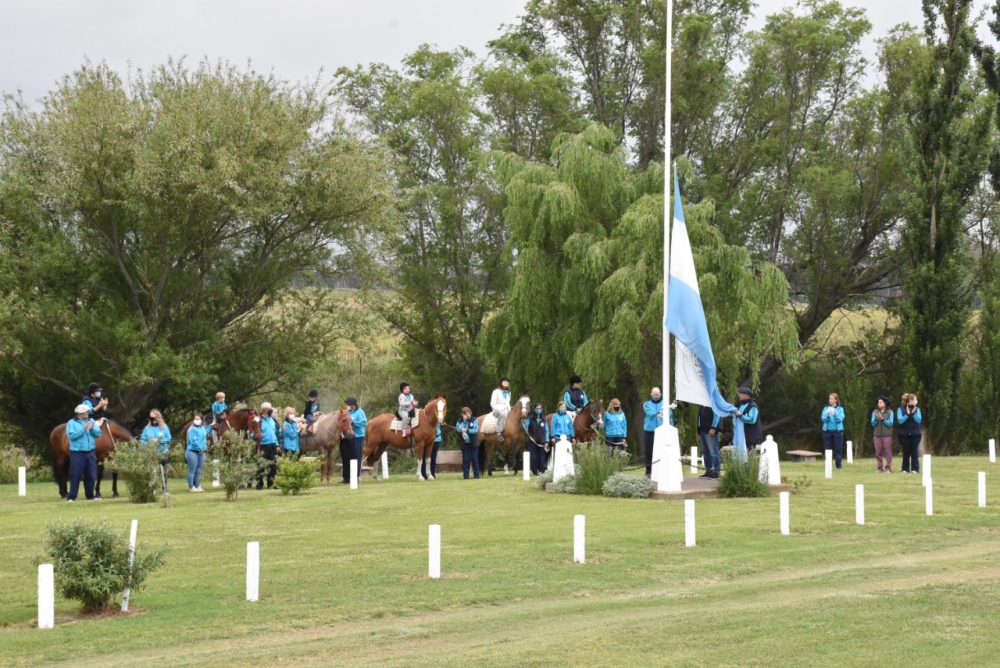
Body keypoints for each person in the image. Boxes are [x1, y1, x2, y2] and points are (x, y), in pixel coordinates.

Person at [66, 404, 103, 502]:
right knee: (76, 474)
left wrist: (92, 429)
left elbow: (99, 433)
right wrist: (83, 430)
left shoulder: (91, 421)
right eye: (86, 411)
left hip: (90, 452)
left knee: (91, 474)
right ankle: (72, 497)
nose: (88, 413)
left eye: (87, 411)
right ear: (79, 413)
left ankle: (90, 496)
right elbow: (72, 436)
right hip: (77, 452)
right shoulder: (71, 423)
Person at [139, 409, 172, 494]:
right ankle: (152, 489)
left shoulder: (164, 427)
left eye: (153, 417)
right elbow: (142, 440)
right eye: (151, 417)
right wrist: (148, 443)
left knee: (163, 472)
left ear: (158, 417)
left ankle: (164, 489)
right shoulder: (147, 428)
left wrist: (159, 440)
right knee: (152, 471)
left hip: (162, 452)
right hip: (151, 453)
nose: (152, 419)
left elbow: (168, 438)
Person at [256, 402, 280, 489]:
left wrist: (277, 445)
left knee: (273, 465)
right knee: (261, 466)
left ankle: (272, 483)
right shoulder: (258, 420)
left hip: (272, 445)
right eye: (270, 408)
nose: (272, 410)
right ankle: (259, 484)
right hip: (262, 446)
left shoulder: (271, 420)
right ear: (265, 410)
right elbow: (253, 433)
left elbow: (274, 433)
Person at [897, 393, 923, 474]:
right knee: (906, 451)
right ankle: (905, 468)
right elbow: (900, 420)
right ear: (910, 400)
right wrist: (907, 414)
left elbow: (919, 420)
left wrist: (913, 413)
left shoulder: (917, 409)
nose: (916, 401)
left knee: (914, 451)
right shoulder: (900, 409)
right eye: (915, 400)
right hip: (904, 434)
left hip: (915, 434)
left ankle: (915, 468)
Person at [185, 413, 211, 492]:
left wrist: (211, 425)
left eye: (198, 419)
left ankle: (198, 485)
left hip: (202, 453)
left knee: (199, 471)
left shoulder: (202, 428)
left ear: (201, 420)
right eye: (195, 419)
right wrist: (200, 449)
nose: (196, 420)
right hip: (192, 452)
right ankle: (191, 487)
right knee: (192, 470)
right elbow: (193, 441)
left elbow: (205, 432)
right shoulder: (191, 429)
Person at [733, 387, 762, 457]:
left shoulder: (753, 406)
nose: (739, 395)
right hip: (743, 434)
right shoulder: (741, 405)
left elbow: (752, 420)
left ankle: (750, 467)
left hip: (751, 434)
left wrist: (740, 416)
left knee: (750, 453)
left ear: (747, 395)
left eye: (741, 393)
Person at [642, 387, 664, 476]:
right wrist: (659, 413)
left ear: (660, 394)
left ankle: (661, 471)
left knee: (661, 451)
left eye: (657, 395)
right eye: (654, 395)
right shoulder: (646, 404)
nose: (656, 396)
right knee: (649, 451)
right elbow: (650, 412)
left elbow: (668, 414)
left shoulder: (664, 404)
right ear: (651, 394)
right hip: (649, 430)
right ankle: (648, 471)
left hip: (661, 430)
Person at [524, 403, 551, 474]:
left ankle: (542, 471)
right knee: (533, 457)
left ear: (542, 410)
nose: (538, 410)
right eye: (537, 408)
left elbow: (547, 431)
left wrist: (547, 441)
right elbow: (525, 426)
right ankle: (534, 471)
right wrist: (523, 422)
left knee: (542, 458)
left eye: (540, 408)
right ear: (534, 409)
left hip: (542, 442)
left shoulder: (544, 419)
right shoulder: (530, 418)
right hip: (533, 441)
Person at [821, 393, 846, 470]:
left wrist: (835, 415)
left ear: (836, 400)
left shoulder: (840, 409)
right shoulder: (826, 408)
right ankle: (828, 465)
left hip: (837, 431)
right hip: (827, 431)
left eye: (832, 399)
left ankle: (838, 466)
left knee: (838, 448)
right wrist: (828, 416)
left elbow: (840, 419)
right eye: (829, 398)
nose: (830, 400)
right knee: (828, 449)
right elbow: (823, 419)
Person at [697, 404, 721, 479]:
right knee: (705, 452)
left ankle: (717, 472)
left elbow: (717, 415)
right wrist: (698, 430)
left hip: (710, 430)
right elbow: (699, 418)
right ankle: (708, 470)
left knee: (713, 451)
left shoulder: (712, 403)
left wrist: (713, 428)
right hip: (703, 430)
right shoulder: (702, 405)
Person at [871, 395, 894, 473]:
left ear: (885, 403)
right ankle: (879, 467)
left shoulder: (890, 412)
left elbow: (890, 424)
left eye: (881, 402)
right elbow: (873, 423)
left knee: (888, 452)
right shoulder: (875, 412)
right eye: (878, 402)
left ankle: (888, 467)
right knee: (878, 452)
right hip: (877, 435)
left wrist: (883, 419)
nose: (879, 404)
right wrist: (877, 419)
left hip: (887, 435)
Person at [456, 407, 480, 479]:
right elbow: (457, 428)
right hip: (465, 444)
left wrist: (467, 430)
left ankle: (476, 475)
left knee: (475, 459)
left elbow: (475, 429)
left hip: (473, 443)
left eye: (468, 413)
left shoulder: (474, 420)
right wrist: (462, 425)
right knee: (466, 460)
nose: (467, 415)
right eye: (465, 414)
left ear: (470, 413)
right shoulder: (460, 421)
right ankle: (466, 475)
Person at [346, 398, 367, 478]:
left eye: (350, 405)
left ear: (353, 404)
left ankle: (357, 475)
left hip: (358, 436)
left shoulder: (360, 412)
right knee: (350, 455)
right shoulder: (349, 412)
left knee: (357, 455)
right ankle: (351, 474)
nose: (349, 406)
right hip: (350, 436)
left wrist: (353, 423)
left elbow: (364, 422)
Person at [490, 377, 512, 442]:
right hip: (497, 410)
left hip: (507, 410)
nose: (506, 382)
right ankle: (499, 432)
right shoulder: (496, 391)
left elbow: (507, 403)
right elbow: (493, 404)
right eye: (504, 381)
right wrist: (502, 409)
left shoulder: (509, 393)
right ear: (501, 383)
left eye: (507, 381)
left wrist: (510, 408)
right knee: (501, 415)